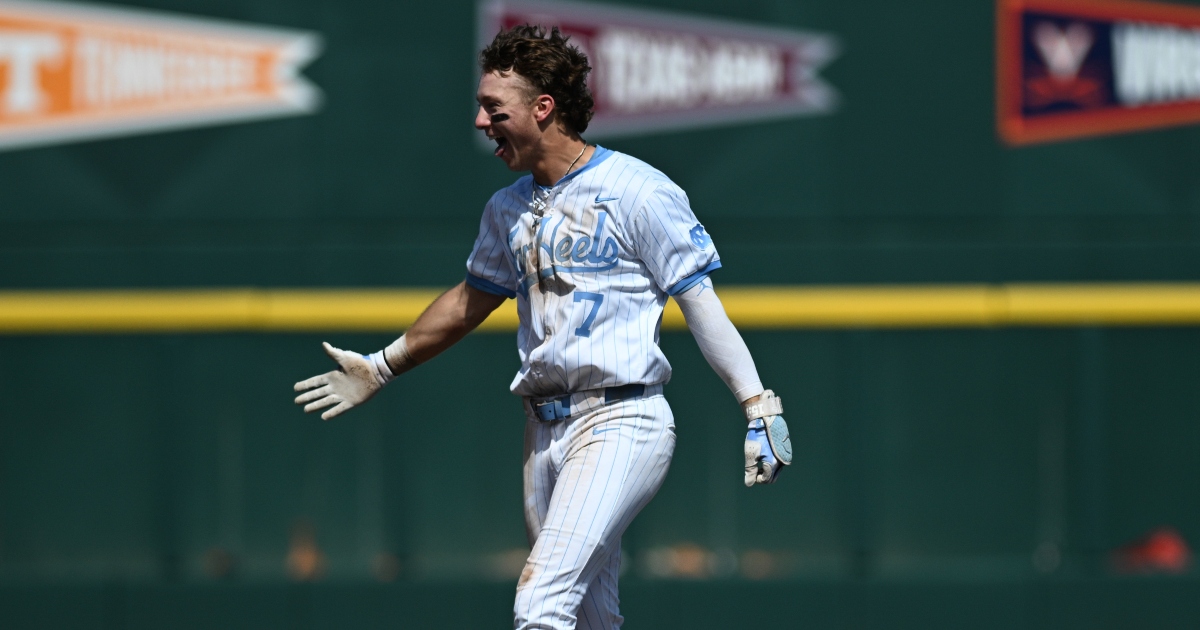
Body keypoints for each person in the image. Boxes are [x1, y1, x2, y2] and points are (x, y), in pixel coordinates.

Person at [293, 24, 792, 630]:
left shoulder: (637, 190)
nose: (481, 121)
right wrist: (382, 364)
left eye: (494, 108)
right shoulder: (507, 208)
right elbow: (469, 301)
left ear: (543, 108)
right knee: (588, 615)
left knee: (540, 603)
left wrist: (758, 405)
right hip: (544, 432)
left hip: (621, 419)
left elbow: (700, 301)